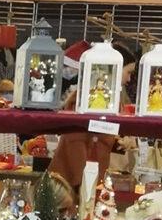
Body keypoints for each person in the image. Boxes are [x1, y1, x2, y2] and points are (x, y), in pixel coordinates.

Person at [48, 41, 140, 194]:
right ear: (115, 69)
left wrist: (118, 142)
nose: (129, 79)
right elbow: (78, 138)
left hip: (88, 178)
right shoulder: (85, 98)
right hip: (70, 181)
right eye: (128, 72)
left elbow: (99, 134)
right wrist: (83, 185)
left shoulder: (111, 100)